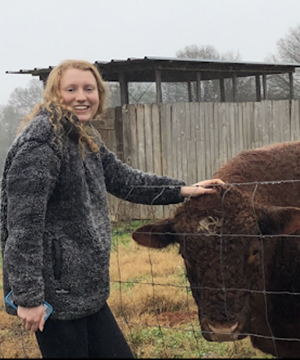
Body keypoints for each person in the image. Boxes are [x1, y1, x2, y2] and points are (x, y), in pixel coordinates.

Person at [0, 59, 224, 358]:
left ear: (99, 94)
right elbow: (22, 228)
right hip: (55, 296)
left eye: (89, 89)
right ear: (54, 93)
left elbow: (124, 179)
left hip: (86, 292)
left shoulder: (83, 135)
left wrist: (182, 190)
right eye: (71, 89)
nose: (82, 96)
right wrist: (27, 297)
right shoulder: (41, 143)